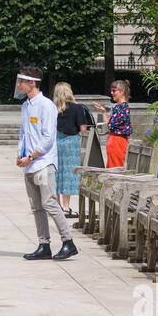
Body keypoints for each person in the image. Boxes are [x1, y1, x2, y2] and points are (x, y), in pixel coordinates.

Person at [15, 67, 77, 261]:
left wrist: (32, 156)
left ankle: (68, 242)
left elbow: (48, 138)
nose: (19, 85)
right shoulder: (26, 106)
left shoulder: (46, 105)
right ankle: (44, 245)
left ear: (32, 83)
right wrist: (21, 155)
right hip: (29, 163)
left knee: (49, 202)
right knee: (36, 206)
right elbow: (24, 134)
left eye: (22, 81)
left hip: (43, 163)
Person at [54, 81, 93, 218]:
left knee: (57, 172)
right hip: (71, 143)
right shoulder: (77, 108)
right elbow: (82, 128)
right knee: (69, 174)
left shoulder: (54, 109)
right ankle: (66, 207)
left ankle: (57, 206)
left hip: (57, 142)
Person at [99, 79, 132, 169]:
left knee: (115, 168)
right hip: (114, 139)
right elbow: (109, 124)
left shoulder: (123, 107)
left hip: (118, 140)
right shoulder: (118, 107)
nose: (111, 93)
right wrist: (103, 112)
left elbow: (110, 125)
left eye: (114, 90)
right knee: (112, 167)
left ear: (121, 92)